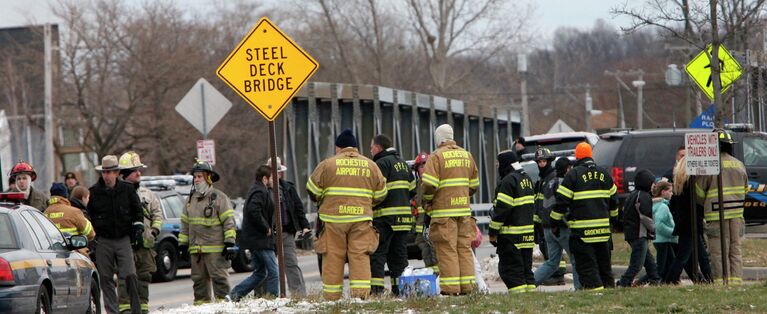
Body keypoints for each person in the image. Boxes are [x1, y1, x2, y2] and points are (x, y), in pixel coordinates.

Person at [307, 129, 387, 300]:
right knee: (360, 256)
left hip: (333, 219)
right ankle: (360, 297)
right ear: (355, 147)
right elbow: (381, 194)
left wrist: (323, 199)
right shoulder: (371, 165)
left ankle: (332, 298)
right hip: (361, 219)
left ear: (338, 148)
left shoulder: (327, 164)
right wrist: (367, 203)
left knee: (333, 257)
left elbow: (312, 190)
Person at [551, 142, 618, 290]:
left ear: (577, 157)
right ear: (590, 156)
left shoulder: (573, 175)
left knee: (588, 269)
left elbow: (561, 203)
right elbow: (614, 202)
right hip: (603, 234)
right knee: (605, 269)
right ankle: (609, 295)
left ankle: (596, 296)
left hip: (582, 234)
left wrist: (554, 222)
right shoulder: (605, 174)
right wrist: (613, 221)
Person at [421, 124, 480, 295]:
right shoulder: (467, 155)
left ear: (439, 138)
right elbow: (474, 185)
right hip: (463, 211)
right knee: (464, 248)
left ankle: (451, 288)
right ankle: (468, 287)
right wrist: (462, 195)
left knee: (447, 250)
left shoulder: (437, 156)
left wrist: (429, 201)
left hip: (443, 213)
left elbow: (430, 185)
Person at [87, 155, 144, 314]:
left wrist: (138, 229)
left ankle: (136, 310)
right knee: (105, 278)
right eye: (104, 172)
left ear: (117, 173)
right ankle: (112, 311)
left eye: (110, 172)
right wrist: (92, 238)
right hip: (103, 240)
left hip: (123, 238)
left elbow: (137, 211)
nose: (107, 175)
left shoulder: (127, 189)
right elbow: (89, 216)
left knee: (130, 275)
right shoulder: (94, 192)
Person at [694, 129, 748, 285]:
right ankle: (736, 282)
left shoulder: (710, 165)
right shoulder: (739, 164)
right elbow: (745, 189)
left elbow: (699, 193)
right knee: (735, 250)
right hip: (737, 216)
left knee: (718, 252)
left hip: (716, 216)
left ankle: (720, 283)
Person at [179, 160, 237, 304]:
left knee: (220, 282)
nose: (196, 180)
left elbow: (229, 222)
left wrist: (229, 242)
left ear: (208, 178)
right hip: (196, 251)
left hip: (216, 251)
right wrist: (182, 244)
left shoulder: (220, 198)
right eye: (195, 177)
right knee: (199, 284)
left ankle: (223, 309)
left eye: (200, 176)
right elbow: (185, 225)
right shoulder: (190, 201)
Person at [369, 134, 415, 296]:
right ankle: (400, 290)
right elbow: (412, 190)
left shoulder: (380, 164)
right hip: (403, 219)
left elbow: (376, 191)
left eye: (371, 147)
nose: (370, 150)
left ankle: (376, 291)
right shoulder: (403, 164)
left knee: (378, 255)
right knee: (399, 257)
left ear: (378, 147)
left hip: (385, 219)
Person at [117, 152, 163, 314]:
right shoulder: (115, 194)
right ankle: (125, 310)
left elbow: (157, 215)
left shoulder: (147, 194)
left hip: (144, 246)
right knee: (124, 279)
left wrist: (154, 232)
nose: (139, 173)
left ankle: (143, 309)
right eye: (135, 170)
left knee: (144, 278)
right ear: (125, 173)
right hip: (124, 245)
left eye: (139, 170)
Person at [489, 150, 536, 293]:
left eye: (498, 165)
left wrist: (492, 232)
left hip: (511, 238)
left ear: (505, 164)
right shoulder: (527, 179)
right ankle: (531, 301)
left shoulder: (508, 181)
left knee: (511, 272)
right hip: (526, 237)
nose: (498, 168)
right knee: (526, 273)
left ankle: (519, 301)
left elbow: (502, 210)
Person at [230, 165, 279, 300]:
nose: (273, 180)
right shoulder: (259, 192)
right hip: (260, 240)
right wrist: (266, 228)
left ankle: (234, 295)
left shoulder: (259, 190)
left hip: (255, 240)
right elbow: (253, 210)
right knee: (274, 272)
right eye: (271, 178)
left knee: (260, 273)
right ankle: (273, 299)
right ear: (265, 178)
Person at [265, 156, 311, 296]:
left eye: (278, 172)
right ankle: (266, 297)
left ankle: (299, 295)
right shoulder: (262, 190)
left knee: (291, 264)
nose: (277, 175)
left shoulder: (288, 188)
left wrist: (305, 226)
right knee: (268, 268)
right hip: (268, 235)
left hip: (286, 233)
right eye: (274, 172)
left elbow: (298, 208)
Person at [665, 153, 713, 284]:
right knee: (682, 256)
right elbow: (698, 202)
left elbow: (673, 204)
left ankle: (709, 280)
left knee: (702, 255)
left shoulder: (679, 183)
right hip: (691, 223)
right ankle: (670, 280)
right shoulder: (692, 183)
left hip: (684, 222)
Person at [534, 155, 580, 289]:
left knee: (552, 262)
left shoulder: (550, 183)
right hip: (560, 228)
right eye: (569, 167)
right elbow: (563, 207)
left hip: (547, 229)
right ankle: (579, 289)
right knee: (576, 259)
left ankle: (530, 283)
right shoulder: (564, 183)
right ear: (566, 169)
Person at [617, 169, 660, 287]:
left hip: (631, 233)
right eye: (652, 183)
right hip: (639, 234)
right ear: (646, 183)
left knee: (648, 260)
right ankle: (624, 282)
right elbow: (645, 217)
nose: (654, 186)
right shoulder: (644, 196)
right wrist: (653, 228)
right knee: (637, 263)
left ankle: (655, 278)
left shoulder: (632, 195)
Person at [44, 182, 95, 255]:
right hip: (73, 254)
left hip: (50, 254)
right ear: (65, 196)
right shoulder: (74, 212)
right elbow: (90, 233)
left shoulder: (44, 214)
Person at [412, 152, 438, 274]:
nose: (423, 169)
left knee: (434, 250)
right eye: (421, 167)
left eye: (425, 166)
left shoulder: (433, 182)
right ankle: (432, 274)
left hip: (431, 223)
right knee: (424, 247)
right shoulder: (417, 185)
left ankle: (439, 275)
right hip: (421, 226)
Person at [652, 181, 677, 281]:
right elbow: (659, 224)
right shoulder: (663, 207)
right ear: (663, 192)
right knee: (660, 268)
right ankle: (641, 282)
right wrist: (673, 232)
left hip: (661, 240)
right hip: (663, 240)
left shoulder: (657, 205)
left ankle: (668, 281)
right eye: (670, 191)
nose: (672, 193)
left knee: (670, 262)